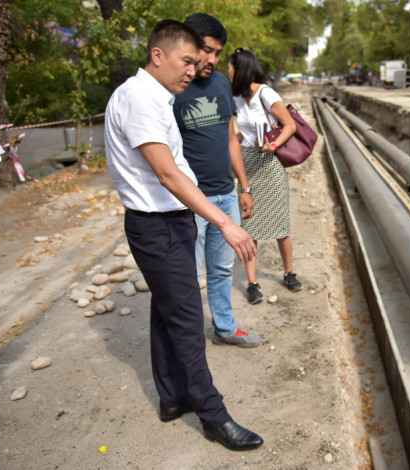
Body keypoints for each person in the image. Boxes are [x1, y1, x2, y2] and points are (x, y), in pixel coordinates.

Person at [104, 19, 262, 452]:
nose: (193, 70)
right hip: (158, 225)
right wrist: (226, 222)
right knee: (189, 321)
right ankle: (214, 416)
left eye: (198, 61)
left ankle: (173, 397)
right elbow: (168, 174)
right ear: (158, 55)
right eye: (186, 61)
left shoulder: (156, 96)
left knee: (166, 310)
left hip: (168, 221)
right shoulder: (139, 98)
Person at [174, 13, 259, 348]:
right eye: (206, 50)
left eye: (217, 53)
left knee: (223, 269)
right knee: (191, 276)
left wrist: (244, 186)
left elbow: (231, 139)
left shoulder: (222, 84)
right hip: (191, 201)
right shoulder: (173, 88)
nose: (211, 59)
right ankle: (189, 342)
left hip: (226, 194)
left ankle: (225, 328)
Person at [227, 48, 301, 304]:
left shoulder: (266, 93)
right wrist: (231, 143)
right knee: (250, 226)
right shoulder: (237, 98)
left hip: (270, 162)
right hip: (247, 163)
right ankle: (252, 283)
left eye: (230, 67)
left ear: (241, 68)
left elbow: (290, 125)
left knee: (280, 224)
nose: (228, 71)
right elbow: (243, 134)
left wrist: (274, 145)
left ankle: (289, 272)